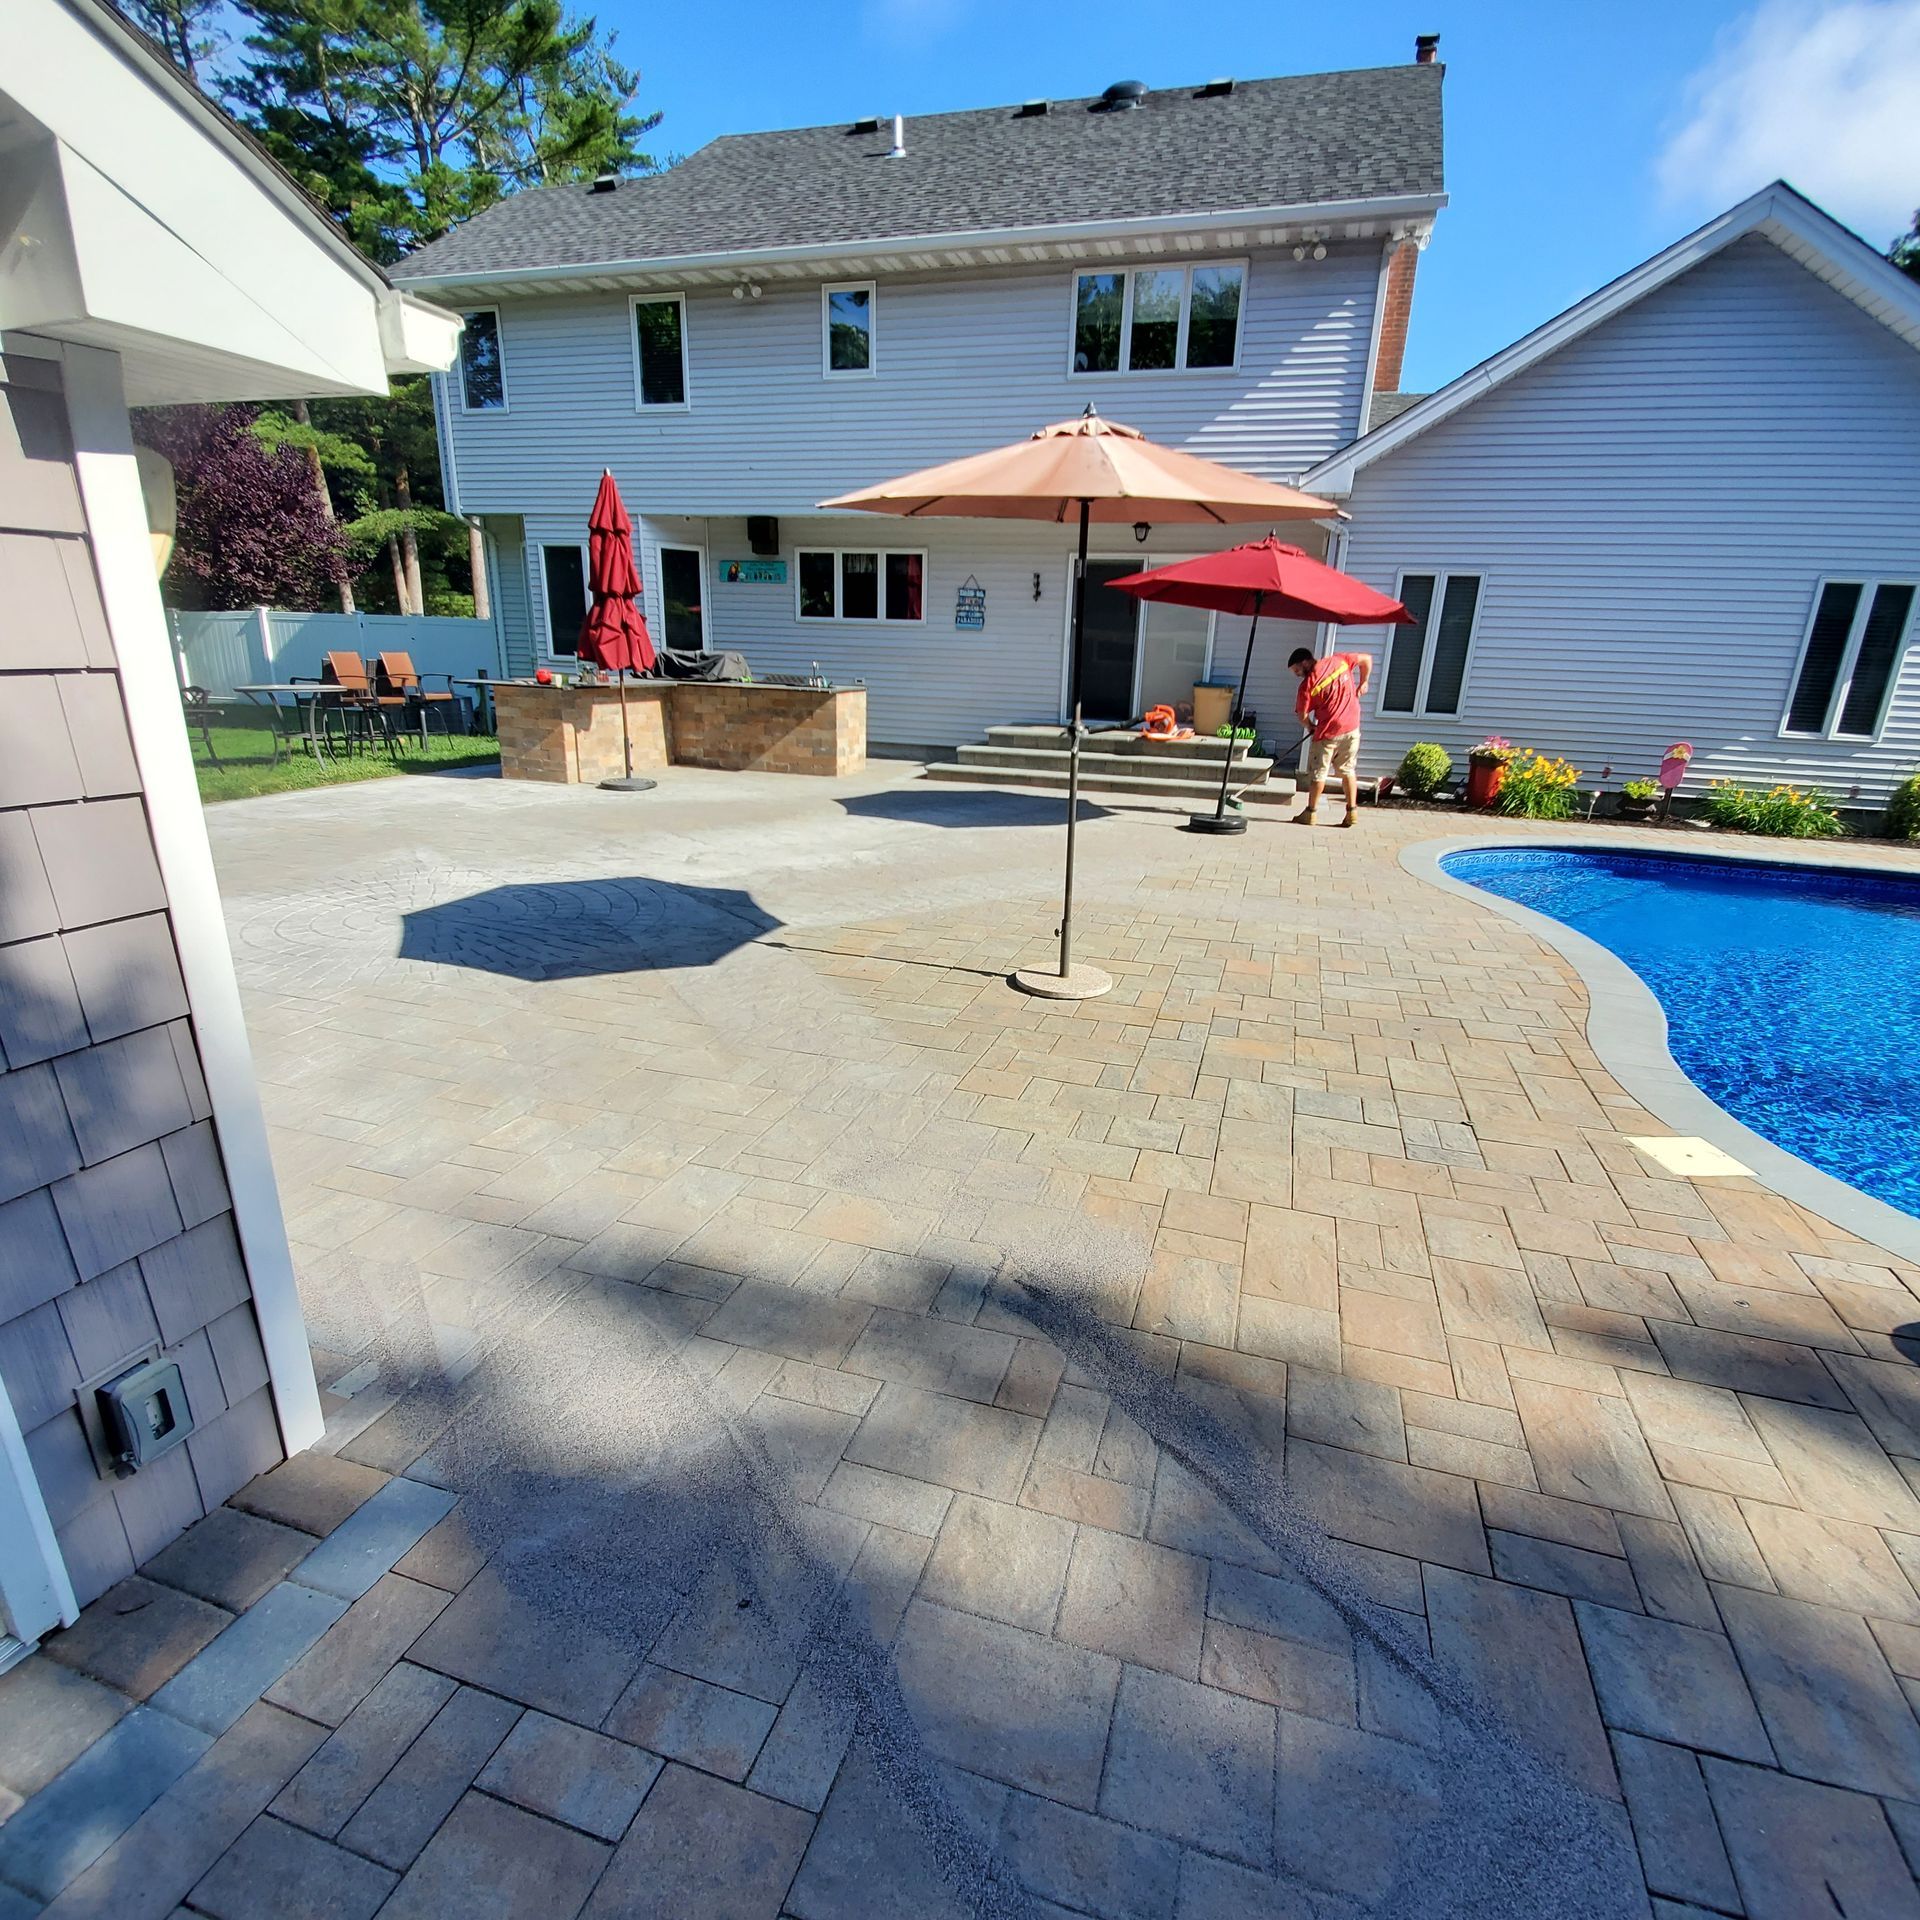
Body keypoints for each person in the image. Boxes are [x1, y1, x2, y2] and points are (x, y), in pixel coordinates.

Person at [1288, 645, 1372, 827]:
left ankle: (1311, 813)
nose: (1297, 674)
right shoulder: (1340, 661)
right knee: (1348, 770)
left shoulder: (1307, 686)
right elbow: (1366, 659)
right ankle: (1352, 812)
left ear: (1305, 662)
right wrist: (1364, 682)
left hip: (1327, 733)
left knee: (1319, 773)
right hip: (1352, 728)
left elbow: (1302, 716)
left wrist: (1310, 726)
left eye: (1297, 670)